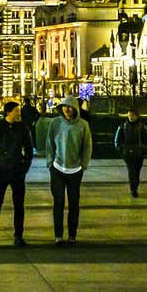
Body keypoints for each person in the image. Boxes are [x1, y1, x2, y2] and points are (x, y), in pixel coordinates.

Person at [0, 101, 34, 245]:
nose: (19, 114)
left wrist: (24, 167)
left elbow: (29, 150)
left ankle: (18, 234)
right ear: (8, 112)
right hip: (0, 171)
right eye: (16, 111)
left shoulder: (23, 128)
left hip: (17, 171)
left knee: (19, 204)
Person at [46, 95, 92, 245]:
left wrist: (84, 164)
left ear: (75, 109)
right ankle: (58, 234)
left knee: (74, 203)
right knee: (58, 202)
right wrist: (50, 162)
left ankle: (72, 234)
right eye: (64, 107)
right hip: (58, 168)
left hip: (75, 169)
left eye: (70, 108)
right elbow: (49, 143)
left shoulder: (83, 125)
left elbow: (87, 146)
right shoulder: (55, 123)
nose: (67, 110)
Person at [113, 108, 147, 197]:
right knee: (131, 170)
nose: (130, 117)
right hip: (127, 152)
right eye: (129, 115)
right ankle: (133, 189)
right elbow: (117, 139)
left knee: (137, 171)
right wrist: (120, 149)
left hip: (139, 153)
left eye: (132, 115)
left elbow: (146, 140)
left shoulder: (142, 126)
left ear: (137, 116)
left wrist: (144, 149)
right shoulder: (123, 126)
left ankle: (135, 186)